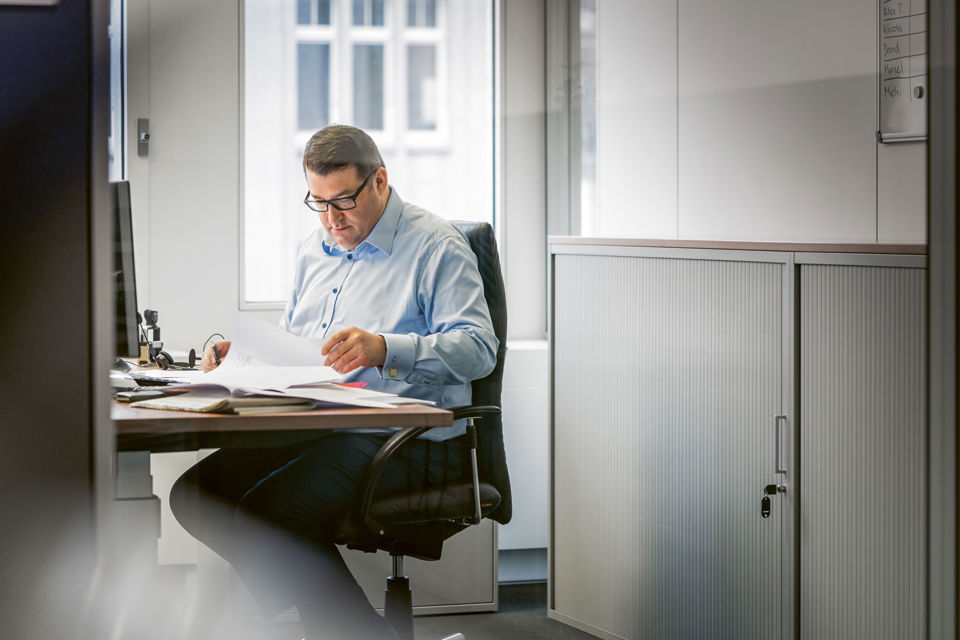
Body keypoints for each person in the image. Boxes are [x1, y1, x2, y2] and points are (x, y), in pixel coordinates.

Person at [169, 124, 499, 640]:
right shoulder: (313, 249)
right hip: (326, 426)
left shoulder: (436, 247)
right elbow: (301, 350)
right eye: (318, 203)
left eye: (343, 201)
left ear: (380, 182)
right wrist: (248, 357)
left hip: (407, 437)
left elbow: (480, 349)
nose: (331, 219)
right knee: (197, 493)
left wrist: (386, 348)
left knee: (273, 514)